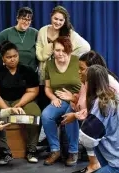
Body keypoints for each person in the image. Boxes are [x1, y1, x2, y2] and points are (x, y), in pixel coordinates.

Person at [0, 41, 41, 164]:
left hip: (21, 100)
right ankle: (5, 153)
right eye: (9, 57)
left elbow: (32, 91)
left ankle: (31, 150)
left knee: (35, 114)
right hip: (0, 101)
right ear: (3, 58)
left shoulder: (27, 70)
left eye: (15, 56)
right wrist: (6, 110)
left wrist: (19, 104)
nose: (12, 59)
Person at [36, 5, 90, 110]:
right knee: (44, 105)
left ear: (65, 21)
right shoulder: (43, 31)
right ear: (51, 17)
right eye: (55, 18)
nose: (58, 22)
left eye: (61, 20)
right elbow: (39, 55)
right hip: (44, 75)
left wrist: (66, 55)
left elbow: (86, 47)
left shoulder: (68, 33)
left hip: (61, 75)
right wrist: (52, 47)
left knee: (61, 106)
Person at [41, 36, 81, 166]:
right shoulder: (49, 64)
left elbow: (86, 85)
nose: (60, 53)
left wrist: (74, 97)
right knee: (46, 115)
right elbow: (47, 87)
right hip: (59, 100)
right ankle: (55, 150)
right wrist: (53, 98)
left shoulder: (77, 61)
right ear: (53, 50)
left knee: (70, 115)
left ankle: (73, 151)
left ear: (69, 50)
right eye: (57, 50)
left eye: (64, 50)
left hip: (77, 99)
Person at [0, 7, 38, 72]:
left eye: (29, 20)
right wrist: (3, 59)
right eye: (24, 19)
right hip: (12, 73)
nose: (26, 22)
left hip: (30, 73)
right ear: (17, 18)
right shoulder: (8, 32)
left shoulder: (35, 33)